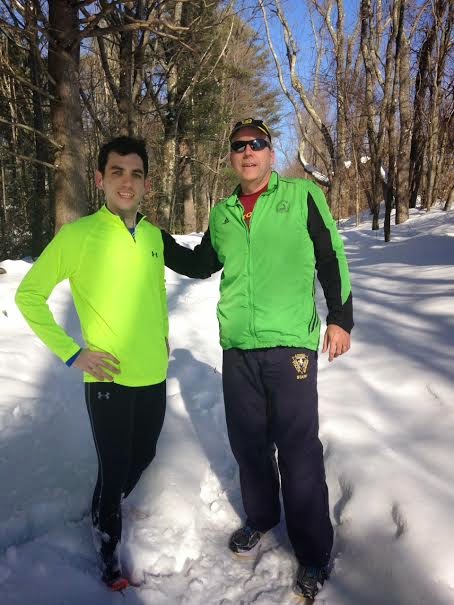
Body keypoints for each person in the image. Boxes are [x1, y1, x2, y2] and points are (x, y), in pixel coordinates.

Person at [14, 136, 212, 591]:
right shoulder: (78, 236)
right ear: (100, 178)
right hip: (108, 379)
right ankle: (108, 550)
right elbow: (29, 295)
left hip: (153, 374)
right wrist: (73, 352)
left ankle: (103, 505)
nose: (127, 182)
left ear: (146, 184)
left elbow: (169, 283)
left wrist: (161, 334)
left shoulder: (153, 237)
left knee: (143, 456)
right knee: (115, 466)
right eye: (117, 172)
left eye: (136, 174)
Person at [167, 117, 353, 600]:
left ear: (271, 152)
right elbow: (202, 263)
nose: (248, 152)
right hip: (239, 347)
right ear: (231, 156)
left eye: (257, 144)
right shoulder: (224, 213)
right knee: (248, 444)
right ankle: (263, 517)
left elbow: (330, 255)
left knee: (297, 449)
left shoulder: (302, 196)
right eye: (239, 146)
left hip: (290, 344)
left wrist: (340, 318)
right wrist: (157, 241)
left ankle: (313, 553)